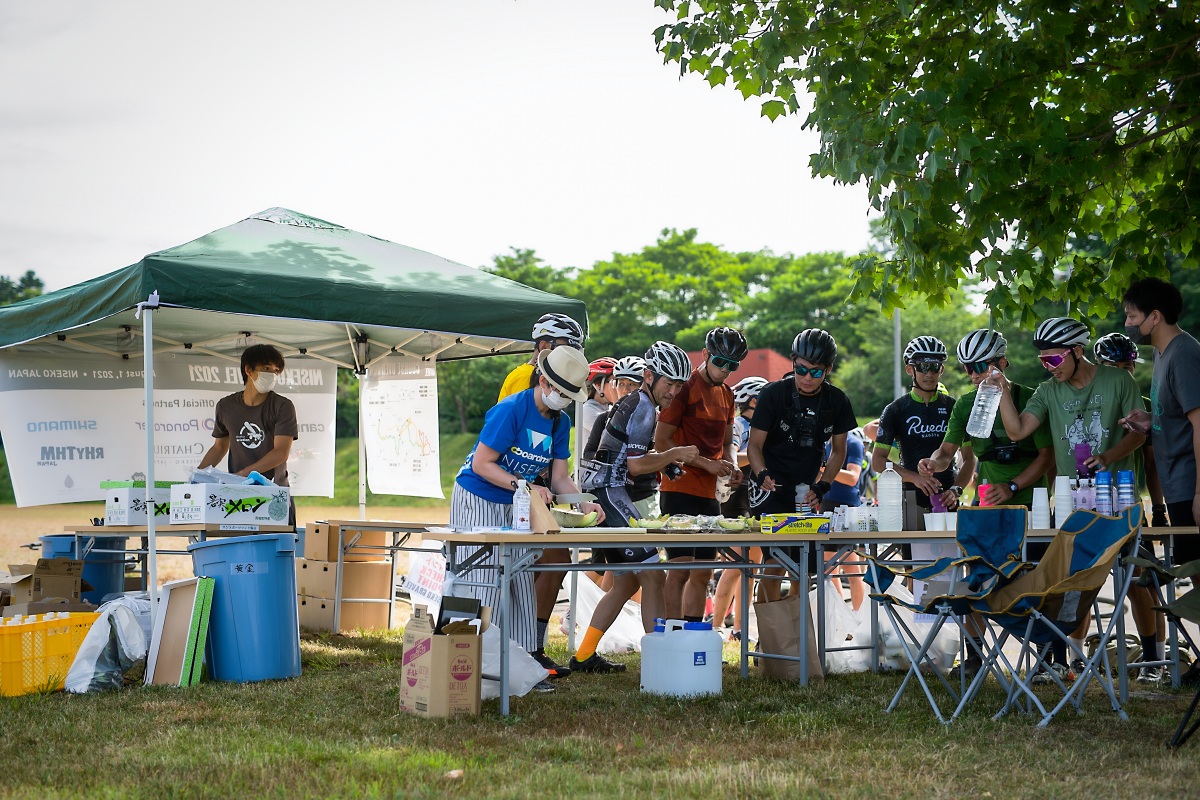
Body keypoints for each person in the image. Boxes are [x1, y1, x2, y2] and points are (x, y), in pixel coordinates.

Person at [996, 316, 1147, 681]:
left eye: (1054, 359)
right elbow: (1017, 432)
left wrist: (1108, 456)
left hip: (1119, 499)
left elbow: (1141, 433)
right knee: (1063, 581)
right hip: (1071, 503)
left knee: (1138, 577)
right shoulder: (1048, 391)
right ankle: (1062, 658)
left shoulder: (1118, 379)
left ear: (1077, 351)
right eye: (1042, 361)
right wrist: (1001, 390)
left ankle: (1154, 658)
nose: (1049, 367)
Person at [450, 346, 604, 691]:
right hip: (478, 498)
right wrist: (526, 485)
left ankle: (522, 668)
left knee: (520, 583)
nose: (563, 400)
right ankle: (471, 668)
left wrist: (583, 502)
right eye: (560, 392)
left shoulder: (560, 422)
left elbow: (560, 477)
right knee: (482, 582)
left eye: (569, 395)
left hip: (519, 504)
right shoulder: (510, 410)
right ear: (544, 381)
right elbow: (482, 464)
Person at [918, 329, 1053, 678]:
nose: (976, 375)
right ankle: (975, 656)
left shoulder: (1029, 397)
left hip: (1030, 503)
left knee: (1038, 578)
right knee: (977, 576)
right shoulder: (965, 404)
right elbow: (947, 453)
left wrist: (1012, 485)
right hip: (989, 505)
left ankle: (1049, 656)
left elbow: (1046, 457)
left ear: (1002, 362)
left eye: (982, 366)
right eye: (968, 368)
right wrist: (933, 463)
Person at [574, 342, 698, 673]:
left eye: (678, 385)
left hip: (603, 494)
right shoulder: (643, 407)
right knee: (654, 575)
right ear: (649, 377)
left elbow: (629, 457)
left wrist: (666, 462)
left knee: (628, 583)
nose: (673, 391)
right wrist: (674, 455)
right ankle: (660, 662)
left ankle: (584, 655)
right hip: (610, 495)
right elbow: (635, 467)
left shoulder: (634, 402)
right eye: (668, 384)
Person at [495, 312, 586, 677]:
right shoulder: (521, 378)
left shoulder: (563, 398)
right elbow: (504, 438)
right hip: (507, 489)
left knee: (557, 558)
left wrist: (578, 499)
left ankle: (532, 646)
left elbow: (557, 458)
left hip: (539, 490)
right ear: (544, 347)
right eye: (567, 350)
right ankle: (514, 648)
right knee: (520, 568)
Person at [1120, 278, 1200, 684]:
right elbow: (1178, 418)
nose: (1129, 322)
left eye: (1133, 315)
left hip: (1191, 484)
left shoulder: (1184, 353)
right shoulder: (1163, 355)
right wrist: (1150, 422)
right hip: (1177, 483)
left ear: (1155, 316)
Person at [747, 328, 856, 602]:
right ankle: (769, 635)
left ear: (828, 369)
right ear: (793, 363)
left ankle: (797, 633)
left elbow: (839, 450)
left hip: (806, 490)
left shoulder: (837, 400)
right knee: (773, 565)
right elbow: (754, 445)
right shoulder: (773, 394)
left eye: (816, 372)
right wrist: (761, 473)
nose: (808, 378)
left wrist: (824, 485)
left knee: (802, 569)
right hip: (769, 488)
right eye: (801, 370)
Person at [654, 327, 747, 621]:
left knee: (703, 571)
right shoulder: (685, 387)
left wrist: (731, 465)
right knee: (680, 569)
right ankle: (673, 632)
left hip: (710, 494)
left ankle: (693, 634)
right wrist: (708, 464)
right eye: (720, 362)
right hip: (679, 488)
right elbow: (662, 441)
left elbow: (728, 440)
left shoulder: (728, 394)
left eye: (733, 366)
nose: (725, 371)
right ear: (705, 355)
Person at [1094, 330, 1168, 682]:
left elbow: (1152, 465)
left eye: (1128, 366)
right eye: (1115, 366)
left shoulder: (1140, 404)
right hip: (1088, 499)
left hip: (1127, 501)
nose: (1123, 372)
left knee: (1141, 580)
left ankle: (1154, 658)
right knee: (1082, 580)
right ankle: (1072, 654)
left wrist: (1159, 506)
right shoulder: (1087, 398)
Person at [872, 336, 974, 526]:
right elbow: (878, 461)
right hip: (911, 498)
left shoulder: (954, 407)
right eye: (922, 367)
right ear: (910, 369)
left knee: (953, 555)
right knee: (914, 555)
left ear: (941, 369)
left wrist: (956, 489)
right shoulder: (896, 409)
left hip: (947, 498)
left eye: (934, 366)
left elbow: (969, 458)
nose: (929, 373)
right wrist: (915, 478)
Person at [198, 344, 298, 525]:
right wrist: (196, 478)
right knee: (239, 548)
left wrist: (244, 474)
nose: (272, 375)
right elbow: (219, 447)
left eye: (276, 371)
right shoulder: (225, 406)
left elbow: (281, 452)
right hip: (238, 497)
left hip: (274, 495)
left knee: (275, 551)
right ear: (248, 370)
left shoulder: (282, 406)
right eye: (266, 368)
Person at [710, 376, 768, 638]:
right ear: (754, 400)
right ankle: (716, 625)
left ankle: (741, 627)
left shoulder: (761, 424)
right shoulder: (739, 424)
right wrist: (762, 457)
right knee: (735, 566)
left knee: (751, 568)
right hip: (734, 497)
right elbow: (730, 456)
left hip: (752, 496)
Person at [498, 313, 585, 401]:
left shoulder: (550, 377)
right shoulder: (525, 376)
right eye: (564, 349)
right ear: (543, 346)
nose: (568, 355)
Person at [579, 357, 618, 451]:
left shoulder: (608, 407)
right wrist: (618, 402)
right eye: (614, 382)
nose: (617, 387)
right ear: (598, 385)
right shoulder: (587, 410)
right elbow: (613, 437)